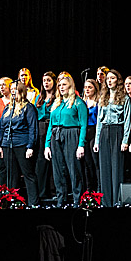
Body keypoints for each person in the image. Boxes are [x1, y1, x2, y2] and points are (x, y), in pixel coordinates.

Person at [44, 72, 88, 206]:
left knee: (73, 169)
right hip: (56, 135)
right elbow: (50, 125)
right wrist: (47, 145)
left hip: (71, 134)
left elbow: (83, 125)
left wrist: (81, 144)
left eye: (64, 85)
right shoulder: (57, 103)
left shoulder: (78, 103)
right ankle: (60, 198)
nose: (61, 87)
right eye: (60, 85)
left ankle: (77, 199)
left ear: (70, 86)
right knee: (58, 170)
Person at [0, 82, 39, 203]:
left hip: (22, 144)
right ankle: (12, 202)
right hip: (7, 145)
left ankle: (33, 203)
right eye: (12, 89)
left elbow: (32, 128)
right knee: (11, 175)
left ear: (21, 91)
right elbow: (2, 128)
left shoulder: (28, 107)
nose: (13, 91)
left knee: (28, 174)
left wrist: (30, 146)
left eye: (15, 89)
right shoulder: (8, 107)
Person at [94, 69, 131, 206]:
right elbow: (99, 120)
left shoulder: (125, 98)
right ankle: (106, 202)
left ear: (118, 80)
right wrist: (97, 140)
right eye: (108, 78)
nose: (109, 81)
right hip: (104, 131)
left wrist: (125, 140)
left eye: (112, 78)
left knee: (117, 168)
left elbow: (127, 120)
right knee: (104, 168)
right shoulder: (102, 97)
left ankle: (117, 201)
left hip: (117, 131)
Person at [35, 71, 58, 199]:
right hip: (40, 129)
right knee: (41, 162)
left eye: (49, 80)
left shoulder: (57, 97)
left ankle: (54, 191)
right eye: (44, 81)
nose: (46, 83)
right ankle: (42, 193)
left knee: (53, 160)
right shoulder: (39, 98)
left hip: (52, 128)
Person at [82, 78, 101, 192]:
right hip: (85, 132)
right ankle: (89, 189)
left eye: (90, 87)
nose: (87, 89)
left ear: (95, 89)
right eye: (85, 87)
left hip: (94, 130)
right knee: (87, 163)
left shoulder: (99, 102)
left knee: (95, 162)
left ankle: (99, 188)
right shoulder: (82, 102)